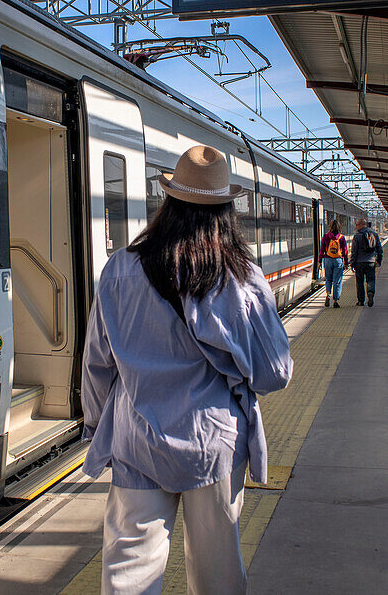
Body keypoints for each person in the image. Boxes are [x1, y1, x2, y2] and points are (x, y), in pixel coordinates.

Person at [81, 145, 293, 595]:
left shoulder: (119, 270)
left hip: (137, 443)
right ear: (225, 212)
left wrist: (101, 426)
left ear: (169, 204)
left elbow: (98, 365)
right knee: (217, 576)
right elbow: (276, 371)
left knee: (128, 574)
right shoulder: (238, 277)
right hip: (212, 445)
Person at [349, 218, 383, 307]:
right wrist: (379, 261)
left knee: (359, 282)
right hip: (371, 262)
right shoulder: (374, 234)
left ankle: (361, 301)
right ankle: (370, 293)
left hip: (359, 263)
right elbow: (380, 250)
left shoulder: (357, 236)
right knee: (370, 280)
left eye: (357, 225)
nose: (356, 227)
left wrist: (352, 263)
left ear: (361, 225)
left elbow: (354, 251)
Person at [318, 219, 348, 308]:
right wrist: (346, 262)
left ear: (330, 227)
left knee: (328, 279)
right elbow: (345, 252)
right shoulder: (341, 237)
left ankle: (328, 295)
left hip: (327, 260)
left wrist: (319, 261)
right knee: (337, 281)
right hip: (338, 260)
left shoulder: (326, 236)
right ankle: (335, 301)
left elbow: (322, 250)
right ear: (339, 227)